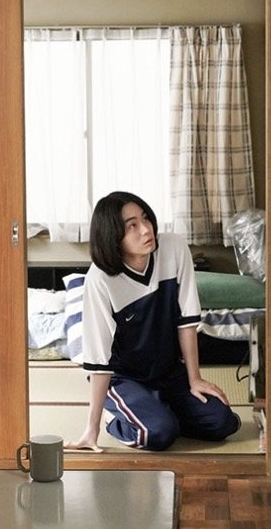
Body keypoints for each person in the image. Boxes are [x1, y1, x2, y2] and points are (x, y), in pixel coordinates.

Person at [65, 191, 240, 452]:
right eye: (132, 226)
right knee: (156, 434)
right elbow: (99, 359)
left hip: (169, 372)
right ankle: (118, 416)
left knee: (222, 423)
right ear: (113, 236)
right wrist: (92, 429)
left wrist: (195, 379)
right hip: (123, 379)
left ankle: (160, 411)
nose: (146, 229)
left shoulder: (174, 248)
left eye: (145, 218)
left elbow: (187, 321)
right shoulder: (100, 279)